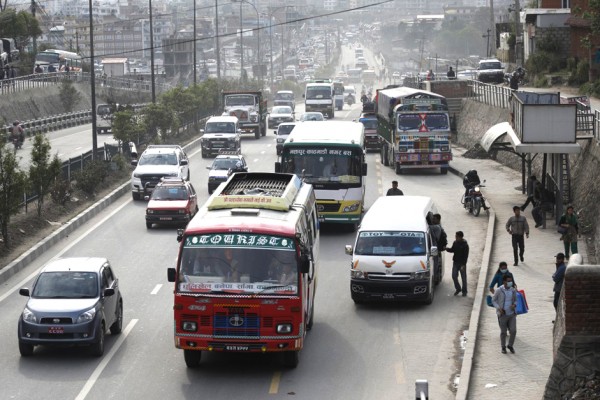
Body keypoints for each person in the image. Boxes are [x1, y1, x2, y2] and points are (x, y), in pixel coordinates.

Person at [492, 274, 518, 354]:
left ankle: (510, 345)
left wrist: (514, 305)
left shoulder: (513, 290)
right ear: (504, 281)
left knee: (513, 331)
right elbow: (494, 300)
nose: (510, 282)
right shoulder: (499, 290)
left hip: (511, 314)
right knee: (503, 332)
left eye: (511, 281)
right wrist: (499, 308)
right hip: (502, 314)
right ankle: (503, 347)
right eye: (508, 281)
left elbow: (516, 300)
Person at [445, 231, 469, 297]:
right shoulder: (455, 243)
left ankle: (464, 291)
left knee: (463, 278)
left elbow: (466, 256)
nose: (455, 237)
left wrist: (463, 265)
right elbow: (453, 250)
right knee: (454, 276)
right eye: (455, 236)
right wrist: (447, 249)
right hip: (455, 263)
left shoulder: (465, 245)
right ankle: (458, 288)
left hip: (462, 264)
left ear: (460, 237)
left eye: (457, 236)